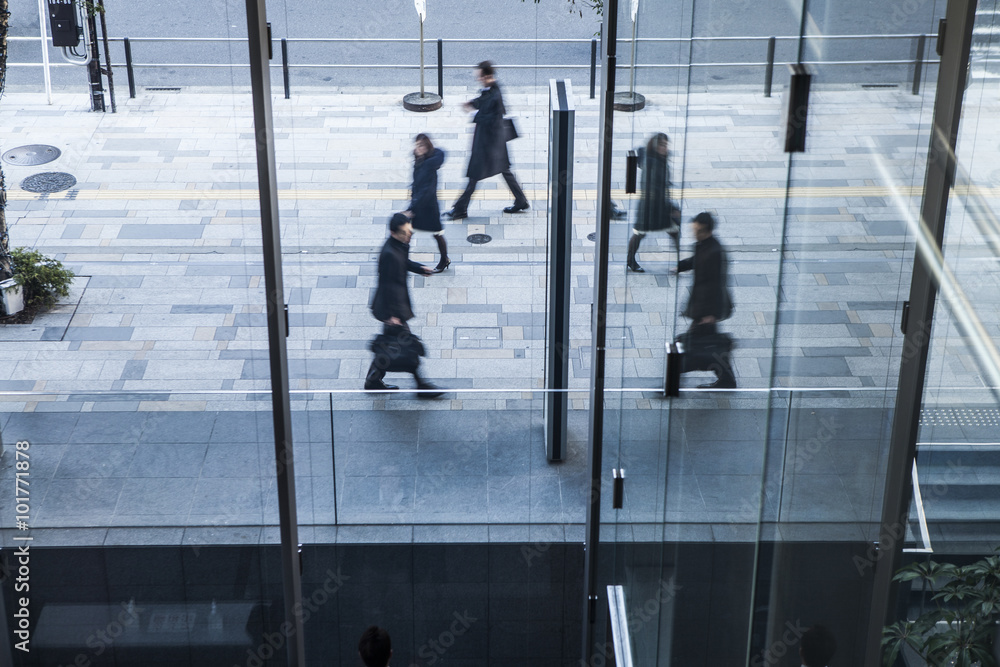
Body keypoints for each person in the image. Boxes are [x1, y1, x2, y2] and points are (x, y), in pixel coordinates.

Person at [365, 213, 443, 397]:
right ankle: (421, 386)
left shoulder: (399, 245)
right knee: (408, 345)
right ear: (393, 233)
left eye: (409, 232)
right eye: (404, 233)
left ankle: (373, 380)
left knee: (388, 345)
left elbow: (404, 262)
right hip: (391, 308)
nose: (408, 236)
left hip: (393, 307)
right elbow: (387, 285)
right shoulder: (389, 254)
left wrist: (419, 268)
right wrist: (393, 315)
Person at [443, 60, 529, 220]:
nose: (478, 79)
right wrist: (473, 103)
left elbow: (490, 114)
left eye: (480, 77)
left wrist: (473, 113)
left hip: (488, 144)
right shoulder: (493, 88)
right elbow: (485, 100)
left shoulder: (494, 94)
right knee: (503, 170)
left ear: (488, 76)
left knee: (474, 175)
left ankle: (460, 209)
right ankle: (521, 201)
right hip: (494, 142)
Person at [674, 212, 736, 389]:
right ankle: (727, 379)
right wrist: (681, 266)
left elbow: (716, 284)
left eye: (698, 231)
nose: (695, 234)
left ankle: (673, 379)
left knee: (691, 344)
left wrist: (710, 314)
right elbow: (696, 261)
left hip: (707, 309)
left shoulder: (715, 252)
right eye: (694, 230)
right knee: (711, 344)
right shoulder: (702, 246)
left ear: (707, 231)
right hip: (703, 308)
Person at [627, 132, 681, 273]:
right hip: (651, 207)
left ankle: (680, 263)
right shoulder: (652, 164)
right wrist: (671, 207)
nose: (665, 148)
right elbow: (655, 190)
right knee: (640, 233)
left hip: (657, 206)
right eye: (662, 145)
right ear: (655, 146)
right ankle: (630, 260)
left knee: (673, 231)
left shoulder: (656, 158)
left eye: (666, 145)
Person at [408, 134, 449, 273]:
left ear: (427, 147)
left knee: (436, 233)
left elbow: (426, 189)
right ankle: (403, 260)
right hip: (421, 203)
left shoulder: (428, 165)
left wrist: (412, 207)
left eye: (421, 145)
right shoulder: (421, 160)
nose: (417, 148)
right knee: (408, 232)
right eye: (416, 145)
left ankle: (444, 259)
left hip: (427, 206)